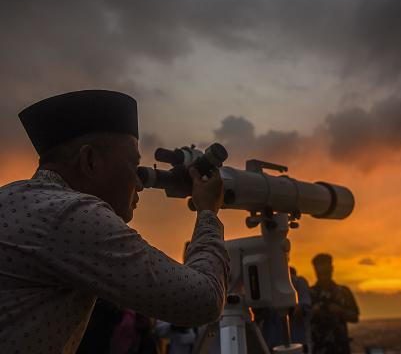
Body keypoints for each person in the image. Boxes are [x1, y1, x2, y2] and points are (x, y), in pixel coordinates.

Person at [0, 90, 230, 353]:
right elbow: (204, 300)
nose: (139, 181)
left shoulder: (15, 198)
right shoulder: (73, 215)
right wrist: (208, 212)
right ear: (90, 161)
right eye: (133, 165)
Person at [310, 253, 359, 354]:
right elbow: (302, 317)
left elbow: (355, 317)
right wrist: (314, 312)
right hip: (319, 347)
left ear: (332, 268)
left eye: (326, 271)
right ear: (315, 271)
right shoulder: (309, 293)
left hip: (340, 347)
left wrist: (340, 311)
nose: (324, 274)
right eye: (321, 271)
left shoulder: (343, 291)